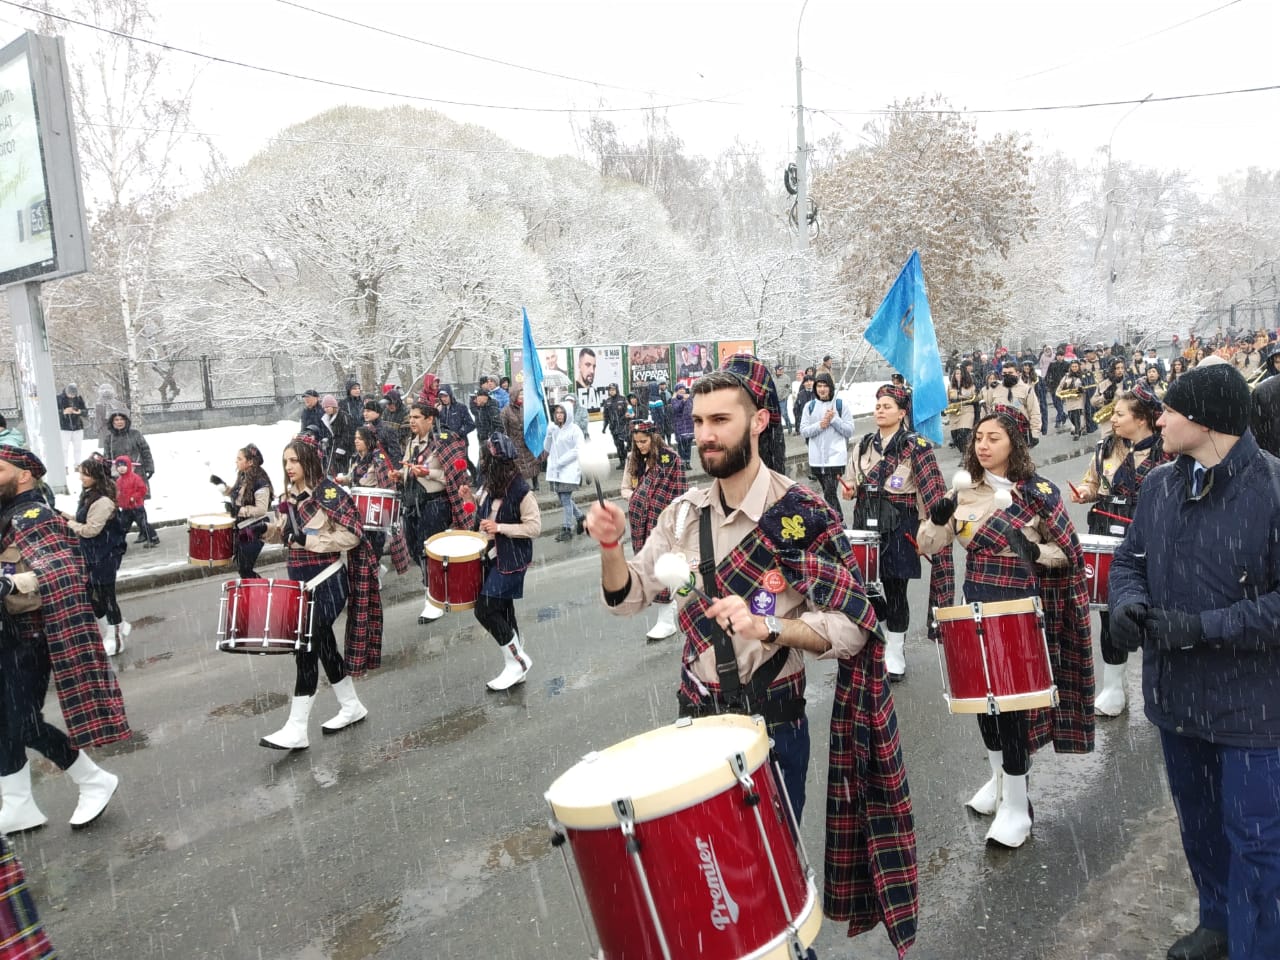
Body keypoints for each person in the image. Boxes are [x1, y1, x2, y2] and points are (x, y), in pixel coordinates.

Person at [584, 355, 918, 955]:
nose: (705, 434)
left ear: (760, 419)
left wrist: (772, 627)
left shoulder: (801, 513)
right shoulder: (683, 514)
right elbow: (631, 595)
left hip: (773, 727)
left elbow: (851, 625)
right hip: (696, 723)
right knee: (715, 893)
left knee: (773, 896)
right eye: (699, 421)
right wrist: (611, 548)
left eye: (721, 419)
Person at [1109, 364, 1280, 960]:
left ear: (1203, 420)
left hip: (1253, 706)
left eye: (1170, 411)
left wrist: (1203, 628)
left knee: (1257, 841)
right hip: (1177, 698)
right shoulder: (1159, 484)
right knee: (1200, 827)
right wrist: (1126, 604)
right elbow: (1130, 560)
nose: (1159, 420)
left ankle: (1258, 944)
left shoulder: (1273, 489)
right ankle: (1217, 922)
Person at [916, 405, 1093, 848]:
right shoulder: (964, 492)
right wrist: (937, 519)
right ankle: (997, 781)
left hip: (1019, 611)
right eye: (978, 437)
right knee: (982, 704)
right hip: (973, 606)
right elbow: (930, 546)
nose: (983, 444)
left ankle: (1018, 803)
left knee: (1011, 709)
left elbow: (1068, 554)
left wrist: (1034, 555)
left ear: (1015, 442)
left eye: (993, 437)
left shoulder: (1039, 492)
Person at [0, 445, 129, 833]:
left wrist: (9, 582)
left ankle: (93, 780)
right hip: (8, 633)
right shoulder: (6, 514)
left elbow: (62, 570)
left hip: (31, 634)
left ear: (23, 475)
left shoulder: (35, 516)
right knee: (5, 722)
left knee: (23, 723)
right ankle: (18, 803)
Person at [259, 436, 382, 749]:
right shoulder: (289, 497)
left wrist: (310, 542)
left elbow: (353, 534)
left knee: (305, 650)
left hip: (327, 582)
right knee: (325, 647)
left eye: (294, 461)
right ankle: (352, 706)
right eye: (285, 461)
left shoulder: (328, 492)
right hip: (301, 584)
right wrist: (266, 531)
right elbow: (283, 536)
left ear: (308, 461)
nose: (288, 467)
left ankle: (297, 728)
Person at [1070, 383, 1169, 717]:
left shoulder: (1167, 451)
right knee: (1111, 611)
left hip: (1150, 535)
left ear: (1141, 419)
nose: (1112, 419)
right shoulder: (1105, 448)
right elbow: (1093, 483)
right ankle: (1113, 687)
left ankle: (1163, 684)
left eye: (1119, 413)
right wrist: (1085, 493)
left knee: (1156, 608)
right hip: (1108, 532)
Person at [841, 384, 949, 681]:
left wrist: (931, 531)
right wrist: (849, 490)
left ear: (902, 413)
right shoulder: (862, 445)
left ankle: (896, 650)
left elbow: (932, 492)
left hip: (900, 525)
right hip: (866, 521)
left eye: (887, 406)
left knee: (896, 589)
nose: (880, 410)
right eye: (877, 406)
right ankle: (885, 634)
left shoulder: (916, 447)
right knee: (866, 587)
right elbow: (848, 486)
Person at [460, 433, 541, 691]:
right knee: (504, 611)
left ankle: (518, 660)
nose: (481, 463)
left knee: (485, 609)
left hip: (512, 559)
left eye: (485, 458)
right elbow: (483, 515)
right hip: (492, 557)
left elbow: (534, 528)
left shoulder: (521, 491)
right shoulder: (487, 484)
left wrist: (501, 527)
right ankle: (515, 665)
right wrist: (468, 500)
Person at [401, 404, 471, 623]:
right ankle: (439, 591)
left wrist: (428, 472)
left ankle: (434, 600)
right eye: (410, 417)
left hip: (435, 504)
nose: (412, 421)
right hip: (412, 504)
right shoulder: (412, 442)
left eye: (417, 417)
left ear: (430, 419)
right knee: (415, 550)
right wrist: (400, 474)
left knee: (428, 554)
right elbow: (409, 469)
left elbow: (456, 474)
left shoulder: (444, 441)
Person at [620, 420, 688, 640]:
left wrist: (673, 519)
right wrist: (638, 498)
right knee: (649, 565)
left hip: (662, 522)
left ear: (654, 437)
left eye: (644, 441)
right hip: (640, 521)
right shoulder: (634, 461)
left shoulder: (671, 460)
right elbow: (626, 488)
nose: (640, 446)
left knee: (662, 566)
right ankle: (672, 610)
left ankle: (667, 619)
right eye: (636, 442)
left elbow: (679, 493)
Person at [64, 455, 129, 656]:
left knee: (106, 596)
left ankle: (116, 637)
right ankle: (113, 629)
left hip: (104, 554)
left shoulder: (102, 501)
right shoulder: (89, 495)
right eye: (81, 473)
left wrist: (70, 524)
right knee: (91, 595)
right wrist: (67, 517)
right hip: (92, 554)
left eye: (85, 474)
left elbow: (91, 529)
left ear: (95, 476)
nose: (81, 477)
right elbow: (85, 519)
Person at [211, 444, 274, 580]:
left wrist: (239, 511)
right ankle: (255, 595)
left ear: (250, 462)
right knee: (243, 569)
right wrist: (222, 486)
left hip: (255, 528)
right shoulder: (242, 476)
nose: (236, 461)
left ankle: (262, 593)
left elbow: (261, 509)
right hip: (242, 527)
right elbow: (236, 495)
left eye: (239, 459)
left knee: (245, 569)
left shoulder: (260, 482)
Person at [799, 372, 854, 512]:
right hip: (816, 459)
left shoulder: (841, 406)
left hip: (836, 460)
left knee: (830, 493)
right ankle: (835, 522)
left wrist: (834, 420)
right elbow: (804, 431)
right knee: (827, 493)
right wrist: (820, 425)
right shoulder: (809, 406)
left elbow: (849, 430)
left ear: (830, 388)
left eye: (825, 386)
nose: (822, 389)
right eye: (819, 386)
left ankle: (838, 523)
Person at [100, 410, 154, 536]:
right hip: (118, 476)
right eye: (116, 420)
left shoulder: (135, 434)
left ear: (126, 421)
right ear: (112, 423)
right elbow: (107, 457)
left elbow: (145, 451)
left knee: (137, 503)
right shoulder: (109, 439)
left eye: (121, 419)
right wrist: (106, 472)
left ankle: (145, 532)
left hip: (136, 474)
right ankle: (141, 531)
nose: (119, 422)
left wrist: (149, 467)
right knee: (124, 504)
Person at [544, 404, 585, 543]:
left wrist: (562, 460)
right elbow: (547, 447)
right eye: (557, 412)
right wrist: (549, 434)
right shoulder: (554, 429)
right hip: (555, 471)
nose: (559, 415)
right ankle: (580, 517)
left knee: (566, 499)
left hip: (569, 470)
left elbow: (579, 448)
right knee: (563, 499)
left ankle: (567, 528)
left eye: (562, 412)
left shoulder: (575, 429)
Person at [499, 386, 542, 492]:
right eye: (520, 395)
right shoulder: (505, 411)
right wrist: (508, 442)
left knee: (532, 462)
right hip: (515, 442)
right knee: (519, 465)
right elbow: (504, 428)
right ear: (514, 396)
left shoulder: (526, 408)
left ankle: (536, 482)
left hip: (527, 440)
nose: (522, 397)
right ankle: (523, 485)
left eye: (523, 394)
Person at [113, 455, 159, 547]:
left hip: (137, 506)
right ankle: (118, 543)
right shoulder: (119, 481)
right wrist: (117, 501)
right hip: (126, 508)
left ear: (129, 466)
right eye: (119, 466)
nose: (121, 468)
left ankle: (153, 538)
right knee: (123, 526)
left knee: (143, 524)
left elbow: (142, 489)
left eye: (124, 466)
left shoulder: (135, 478)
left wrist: (134, 497)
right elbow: (118, 493)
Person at [947, 363, 978, 452]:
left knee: (964, 432)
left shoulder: (971, 385)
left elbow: (975, 399)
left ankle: (966, 455)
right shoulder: (951, 386)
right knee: (955, 436)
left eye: (960, 373)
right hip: (954, 412)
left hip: (967, 410)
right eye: (956, 373)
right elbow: (948, 400)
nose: (958, 375)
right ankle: (963, 451)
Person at [319, 394, 352, 476]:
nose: (326, 409)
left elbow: (347, 433)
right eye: (324, 408)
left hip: (343, 449)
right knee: (331, 471)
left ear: (334, 406)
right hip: (332, 449)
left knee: (341, 471)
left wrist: (341, 448)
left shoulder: (343, 416)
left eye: (328, 407)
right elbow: (327, 433)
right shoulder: (326, 418)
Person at [1056, 359, 1089, 440]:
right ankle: (1078, 426)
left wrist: (1082, 389)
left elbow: (1088, 386)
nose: (1074, 368)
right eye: (1073, 366)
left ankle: (1077, 432)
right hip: (1070, 399)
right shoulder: (1067, 376)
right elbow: (1060, 386)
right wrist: (1061, 391)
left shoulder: (1082, 375)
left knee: (1077, 414)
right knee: (1071, 415)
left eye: (1076, 366)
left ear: (1079, 367)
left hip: (1079, 398)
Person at [362, 399, 402, 465]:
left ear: (378, 412)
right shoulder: (366, 429)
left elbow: (395, 454)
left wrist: (392, 470)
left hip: (384, 467)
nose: (365, 414)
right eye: (364, 411)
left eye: (368, 411)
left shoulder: (387, 429)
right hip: (369, 467)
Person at [58, 383, 87, 470]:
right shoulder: (59, 398)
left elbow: (86, 411)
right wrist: (63, 412)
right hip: (64, 427)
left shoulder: (78, 398)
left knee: (78, 447)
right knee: (64, 448)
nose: (71, 396)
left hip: (77, 426)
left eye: (73, 395)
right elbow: (53, 412)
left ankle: (77, 465)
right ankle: (64, 466)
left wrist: (80, 412)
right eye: (70, 394)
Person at [602, 383, 630, 465]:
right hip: (613, 427)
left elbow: (629, 410)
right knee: (617, 444)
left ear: (616, 390)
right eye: (610, 390)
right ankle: (622, 461)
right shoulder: (607, 402)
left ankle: (626, 460)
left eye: (613, 390)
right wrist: (604, 427)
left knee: (621, 443)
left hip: (623, 426)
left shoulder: (622, 399)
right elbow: (605, 416)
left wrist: (628, 418)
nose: (611, 391)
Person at [669, 382, 694, 464]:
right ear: (676, 391)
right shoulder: (674, 399)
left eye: (683, 389)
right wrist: (683, 400)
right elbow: (676, 409)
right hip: (680, 426)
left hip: (689, 425)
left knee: (688, 446)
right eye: (680, 389)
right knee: (681, 446)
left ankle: (688, 462)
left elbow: (692, 409)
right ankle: (682, 463)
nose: (682, 390)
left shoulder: (689, 398)